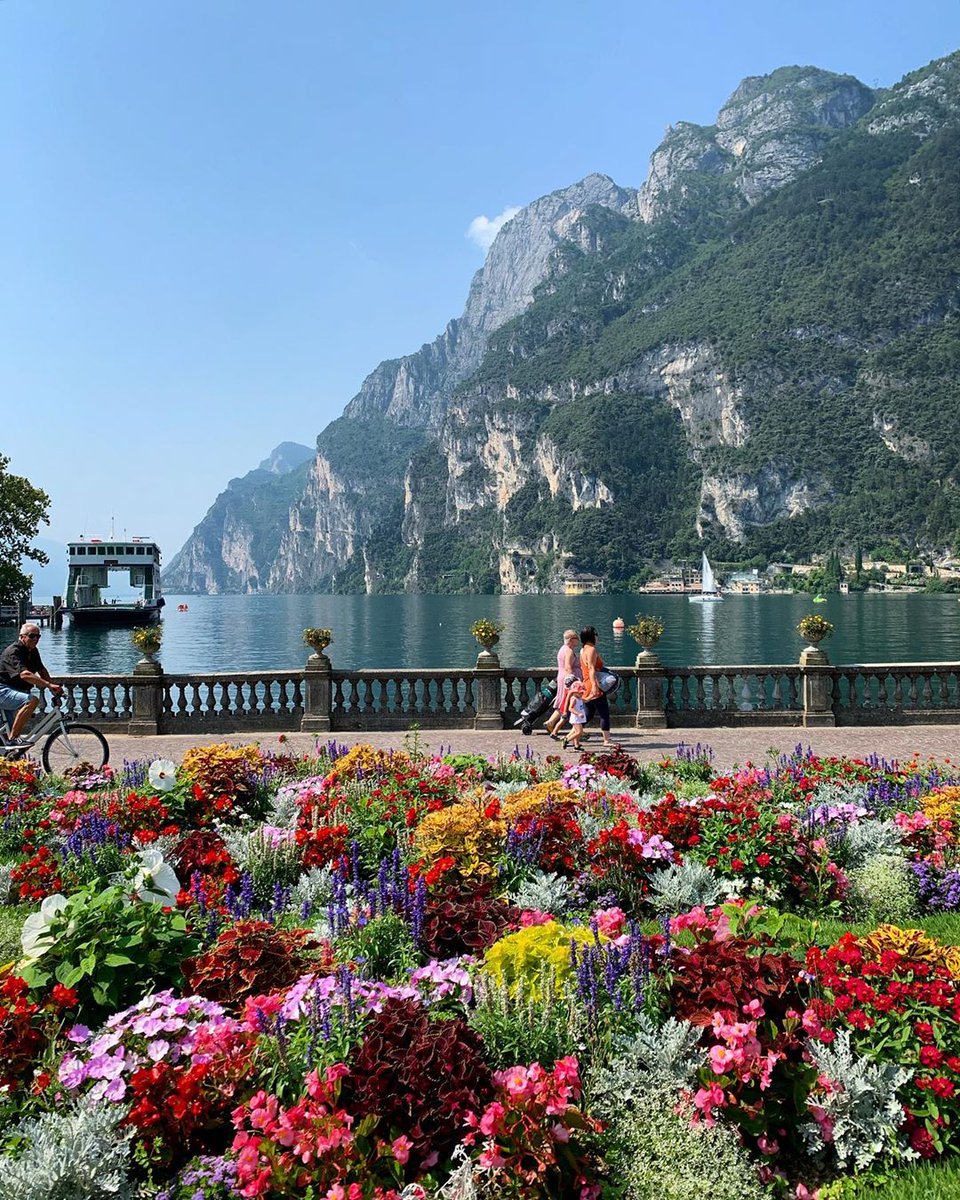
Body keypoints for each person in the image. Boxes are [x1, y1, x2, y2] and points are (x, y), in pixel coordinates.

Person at [0, 623, 64, 743]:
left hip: (13, 690)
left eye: (38, 636)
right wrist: (48, 685)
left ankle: (11, 748)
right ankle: (14, 738)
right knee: (31, 700)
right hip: (3, 690)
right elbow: (25, 674)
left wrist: (53, 688)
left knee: (6, 737)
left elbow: (42, 670)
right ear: (22, 637)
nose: (35, 639)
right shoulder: (13, 651)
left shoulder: (33, 651)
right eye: (32, 636)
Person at [574, 625, 613, 749]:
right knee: (604, 713)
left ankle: (572, 736)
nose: (598, 637)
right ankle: (606, 740)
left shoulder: (582, 650)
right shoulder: (591, 650)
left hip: (586, 683)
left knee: (588, 714)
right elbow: (591, 668)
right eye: (596, 635)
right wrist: (595, 686)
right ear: (592, 636)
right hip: (593, 683)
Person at [544, 628, 580, 738]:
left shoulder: (562, 649)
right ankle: (577, 729)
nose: (578, 640)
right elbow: (568, 667)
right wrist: (574, 680)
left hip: (561, 677)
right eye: (576, 638)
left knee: (562, 702)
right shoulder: (568, 651)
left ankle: (551, 722)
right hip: (567, 679)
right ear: (570, 639)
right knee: (568, 703)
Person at [560, 677, 588, 749]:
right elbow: (570, 708)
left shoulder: (579, 698)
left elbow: (585, 700)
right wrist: (578, 713)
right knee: (579, 732)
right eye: (580, 693)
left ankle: (576, 745)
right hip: (576, 718)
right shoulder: (574, 699)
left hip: (579, 718)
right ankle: (566, 740)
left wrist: (593, 696)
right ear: (575, 692)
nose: (582, 694)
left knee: (577, 731)